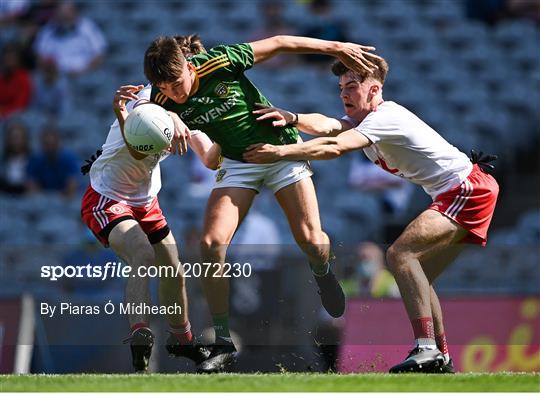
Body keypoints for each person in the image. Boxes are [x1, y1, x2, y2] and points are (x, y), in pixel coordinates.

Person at [243, 56, 499, 373]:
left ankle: (427, 348)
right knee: (421, 277)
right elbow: (328, 125)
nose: (344, 94)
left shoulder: (384, 117)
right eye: (340, 88)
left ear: (374, 89)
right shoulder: (366, 120)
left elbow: (334, 147)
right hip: (462, 189)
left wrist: (281, 152)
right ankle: (441, 357)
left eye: (352, 86)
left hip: (465, 189)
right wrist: (292, 117)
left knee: (400, 255)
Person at [143, 33, 380, 373]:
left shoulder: (220, 61)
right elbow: (145, 122)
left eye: (177, 83)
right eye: (165, 88)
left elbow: (281, 42)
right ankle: (222, 342)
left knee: (311, 241)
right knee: (211, 245)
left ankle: (323, 272)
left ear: (187, 66)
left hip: (281, 149)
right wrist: (165, 122)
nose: (174, 93)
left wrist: (336, 47)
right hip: (239, 163)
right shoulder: (160, 101)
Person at [80, 36, 221, 373]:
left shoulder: (188, 108)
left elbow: (209, 159)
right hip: (107, 196)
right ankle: (140, 336)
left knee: (174, 270)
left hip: (145, 200)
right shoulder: (148, 101)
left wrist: (232, 144)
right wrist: (165, 120)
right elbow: (141, 135)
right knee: (142, 254)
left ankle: (182, 341)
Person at [33, 0, 106, 77]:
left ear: (75, 13)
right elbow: (39, 56)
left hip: (85, 75)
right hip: (57, 77)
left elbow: (99, 55)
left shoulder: (88, 27)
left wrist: (84, 71)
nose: (64, 19)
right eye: (61, 16)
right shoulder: (48, 30)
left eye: (67, 16)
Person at [26, 123, 79, 198]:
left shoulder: (69, 158)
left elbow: (72, 184)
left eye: (52, 144)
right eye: (47, 144)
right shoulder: (35, 159)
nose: (50, 147)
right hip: (41, 199)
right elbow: (31, 185)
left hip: (64, 200)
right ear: (42, 143)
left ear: (58, 142)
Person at [0, 120, 32, 195]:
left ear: (25, 140)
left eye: (19, 138)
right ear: (8, 140)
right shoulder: (2, 161)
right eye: (13, 138)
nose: (16, 141)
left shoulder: (34, 161)